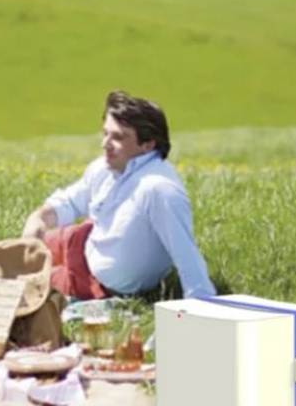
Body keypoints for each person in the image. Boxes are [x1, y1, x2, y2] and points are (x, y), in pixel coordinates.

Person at [21, 90, 215, 300]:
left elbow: (186, 254)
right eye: (105, 133)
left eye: (118, 137)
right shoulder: (105, 168)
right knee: (18, 253)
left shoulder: (159, 189)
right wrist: (40, 218)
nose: (105, 144)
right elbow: (68, 203)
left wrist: (201, 305)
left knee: (18, 281)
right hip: (82, 241)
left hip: (90, 282)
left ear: (148, 144)